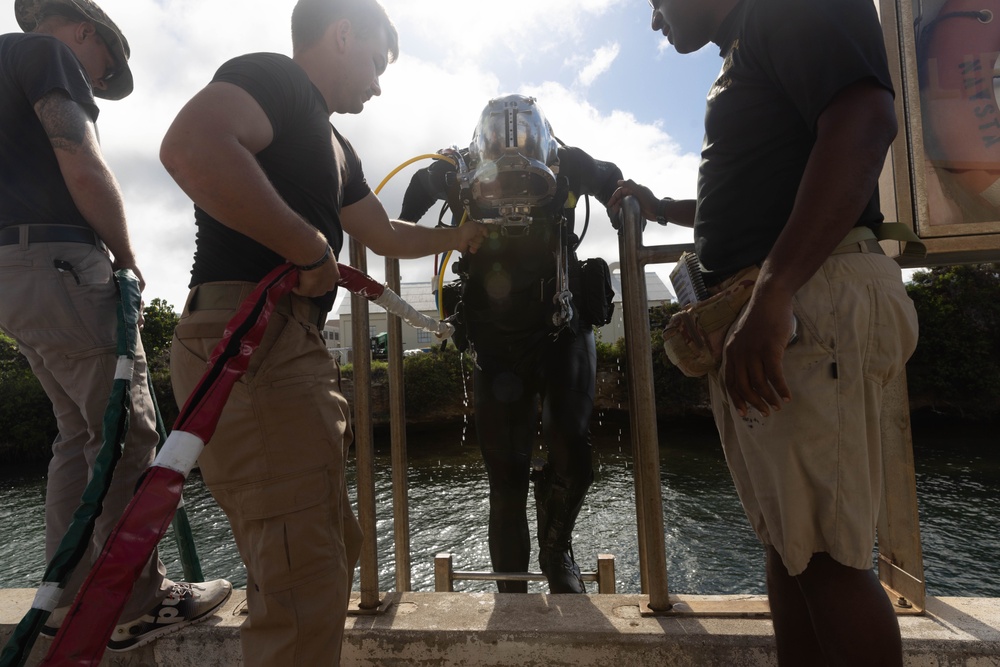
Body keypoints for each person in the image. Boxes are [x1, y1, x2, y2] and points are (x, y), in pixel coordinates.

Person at [159, 1, 485, 664]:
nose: (378, 82)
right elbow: (190, 146)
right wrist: (307, 246)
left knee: (328, 546)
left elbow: (385, 234)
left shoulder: (338, 148)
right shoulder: (273, 80)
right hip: (247, 339)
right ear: (341, 36)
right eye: (374, 61)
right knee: (302, 578)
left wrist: (463, 235)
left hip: (291, 347)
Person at [609, 0, 918, 665]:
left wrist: (775, 291)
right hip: (780, 306)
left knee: (828, 558)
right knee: (792, 545)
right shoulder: (745, 45)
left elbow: (866, 121)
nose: (655, 22)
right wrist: (663, 209)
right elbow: (769, 185)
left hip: (806, 301)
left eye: (657, 3)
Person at [0, 0, 232, 653]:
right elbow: (81, 159)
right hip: (60, 262)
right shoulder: (46, 55)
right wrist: (126, 259)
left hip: (12, 276)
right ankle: (141, 604)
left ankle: (65, 595)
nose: (100, 83)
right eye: (105, 68)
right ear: (83, 31)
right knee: (127, 432)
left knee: (77, 435)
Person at [397, 94, 622, 594]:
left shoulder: (570, 164)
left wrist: (624, 200)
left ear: (546, 154)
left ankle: (556, 547)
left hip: (562, 323)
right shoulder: (456, 171)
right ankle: (511, 594)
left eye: (526, 175)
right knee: (506, 478)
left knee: (572, 445)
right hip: (494, 343)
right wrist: (440, 177)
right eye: (501, 176)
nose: (514, 187)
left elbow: (611, 178)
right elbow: (409, 207)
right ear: (481, 157)